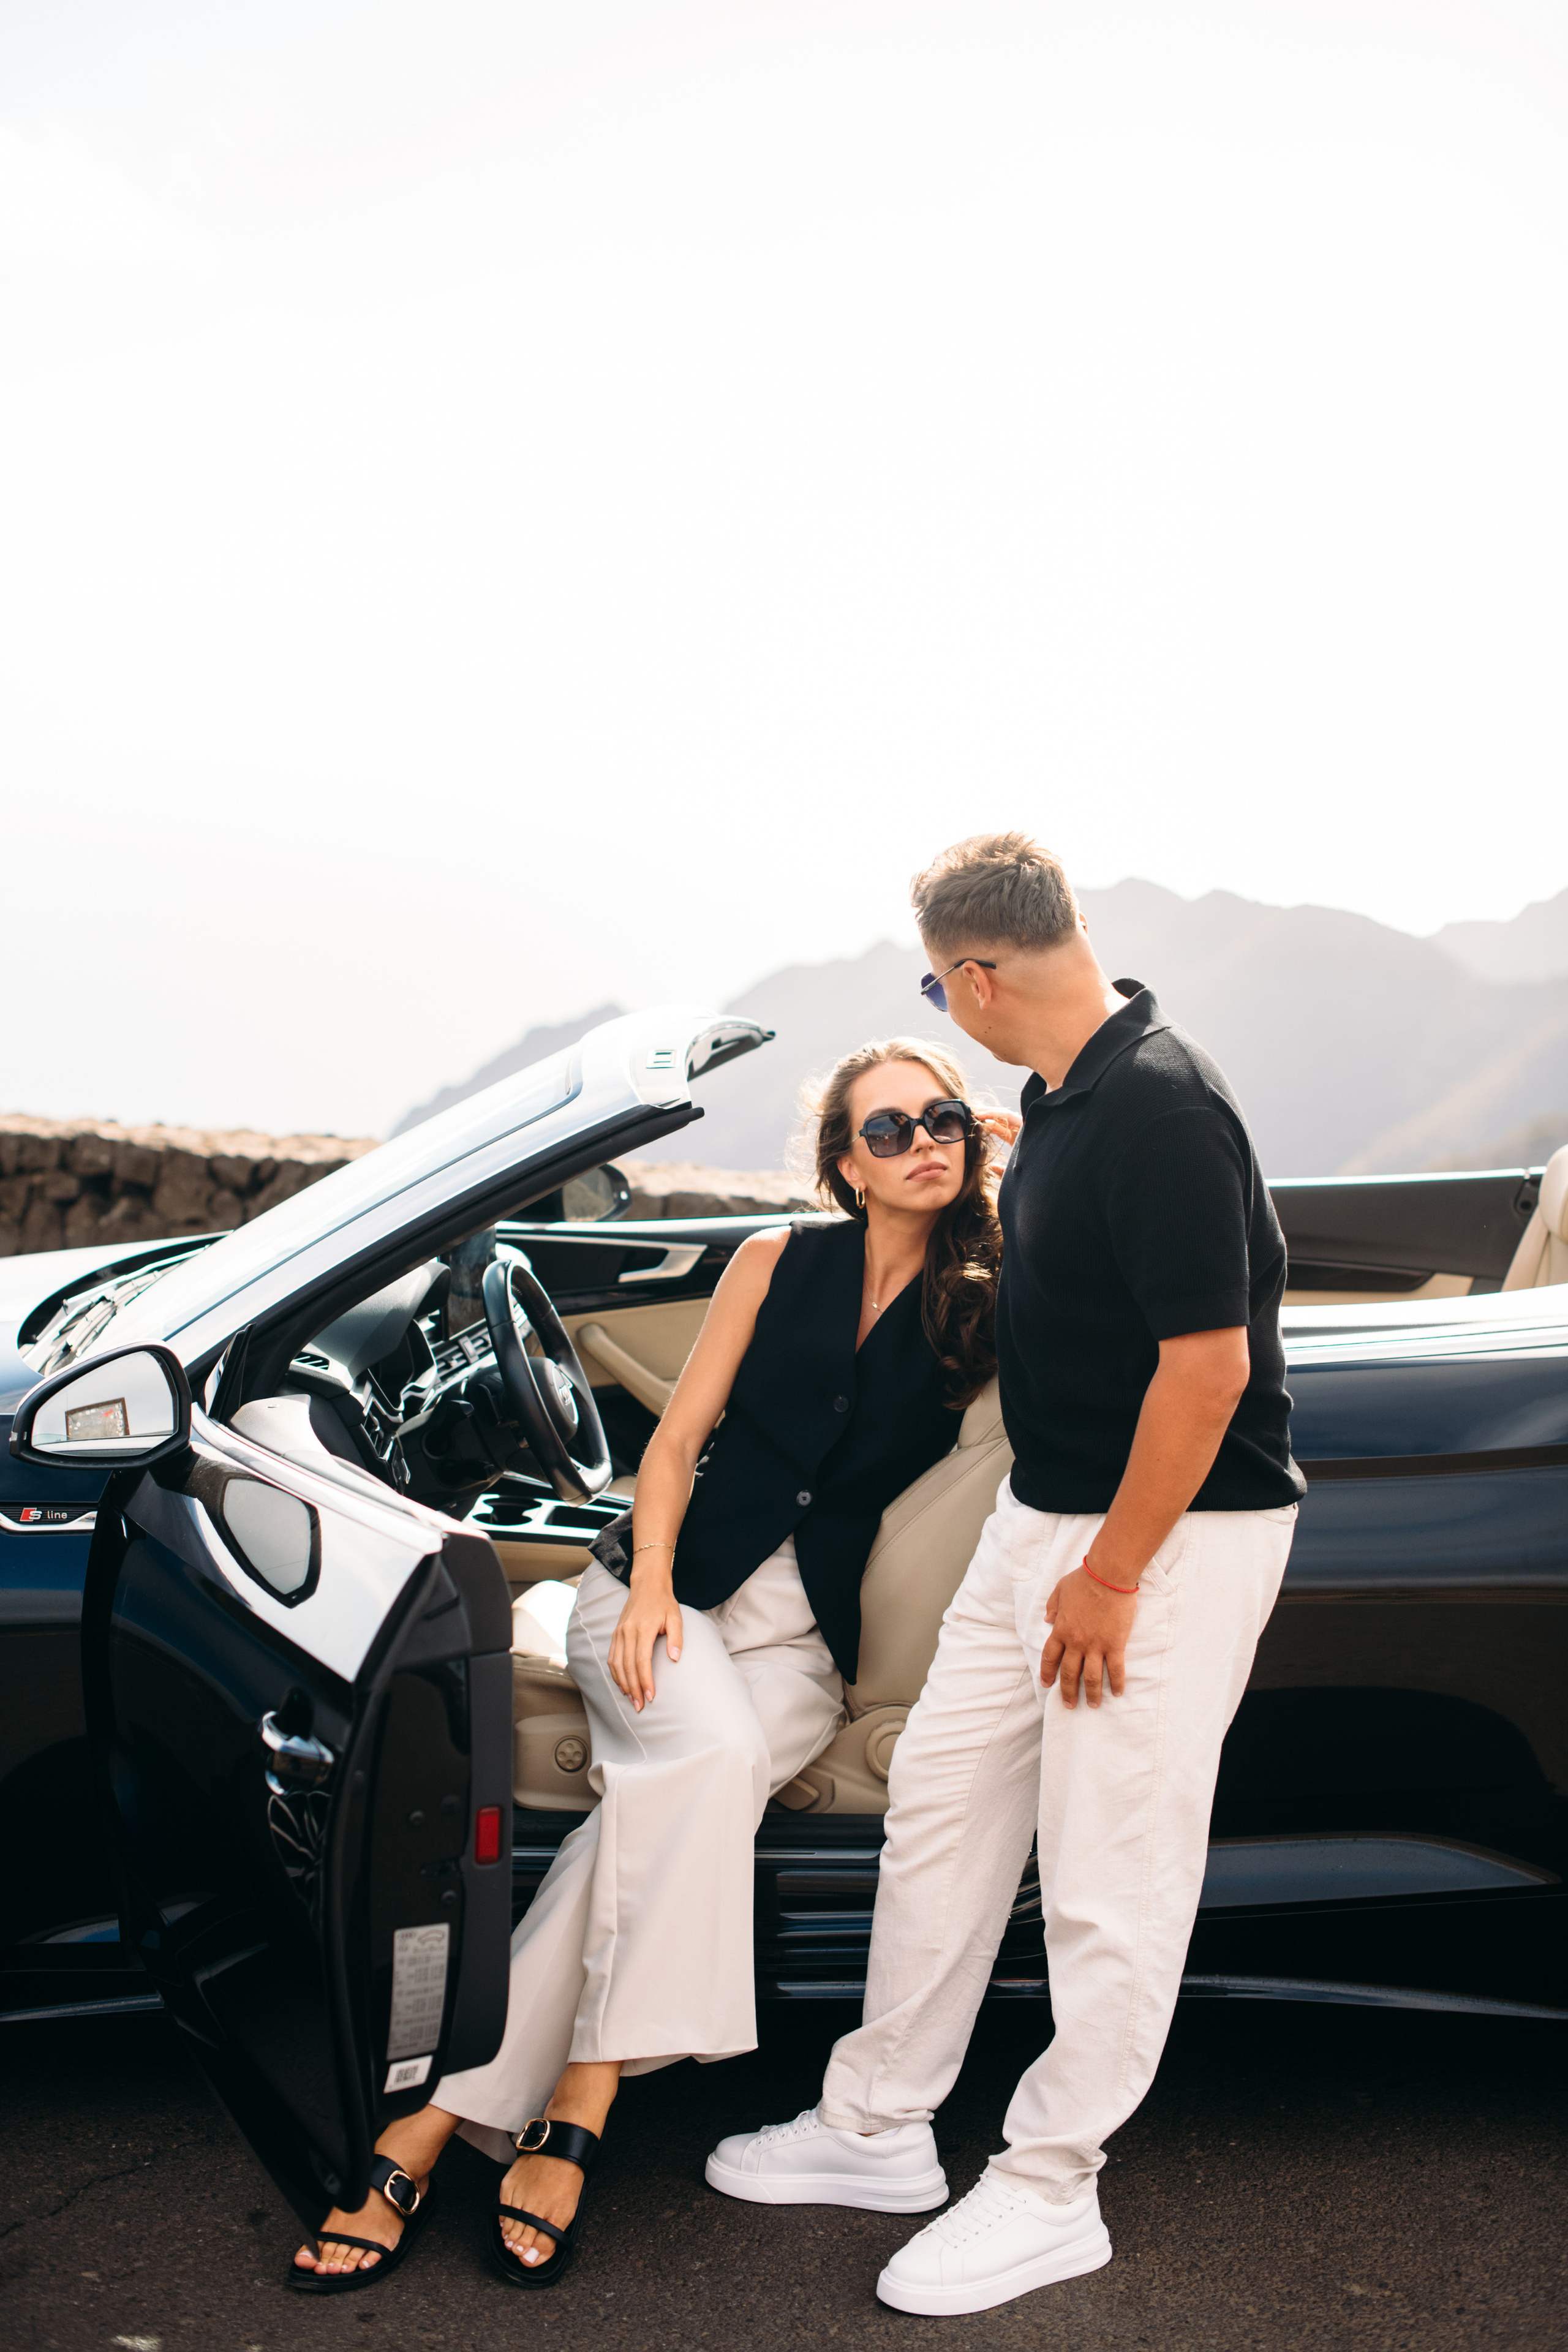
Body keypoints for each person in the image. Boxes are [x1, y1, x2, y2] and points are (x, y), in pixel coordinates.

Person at [290, 1035, 1006, 2295]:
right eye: (885, 1130)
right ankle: (574, 2115)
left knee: (655, 1809)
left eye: (942, 1118)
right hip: (654, 1595)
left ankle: (440, 2121)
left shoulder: (984, 1301)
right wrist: (654, 1587)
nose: (921, 1144)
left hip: (801, 1650)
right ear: (844, 1164)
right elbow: (672, 1448)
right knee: (704, 1766)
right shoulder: (773, 1260)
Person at [707, 832, 1305, 2318]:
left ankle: (1049, 2189)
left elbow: (1208, 1372)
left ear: (970, 978)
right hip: (1042, 1524)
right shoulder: (1065, 1097)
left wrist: (1108, 1576)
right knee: (944, 1800)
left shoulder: (1160, 1111)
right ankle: (876, 2125)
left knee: (1110, 1876)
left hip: (1154, 1546)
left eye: (933, 984)